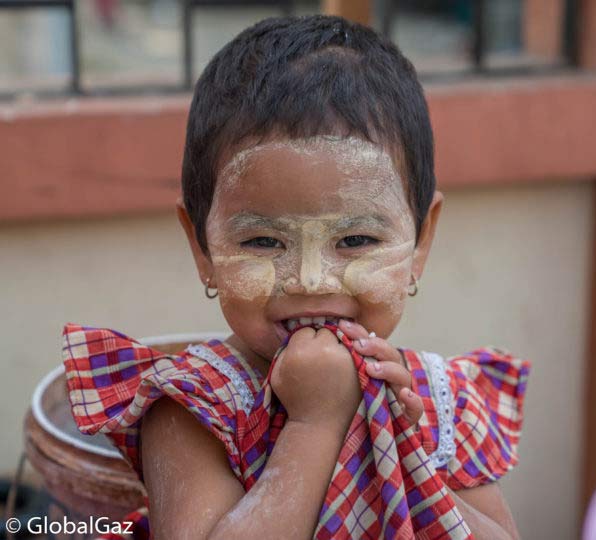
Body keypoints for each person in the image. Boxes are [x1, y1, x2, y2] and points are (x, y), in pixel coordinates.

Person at [62, 14, 530, 540]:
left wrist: (409, 449)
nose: (310, 281)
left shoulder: (439, 399)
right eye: (263, 241)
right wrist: (317, 425)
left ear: (420, 242)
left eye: (356, 240)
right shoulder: (195, 408)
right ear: (203, 248)